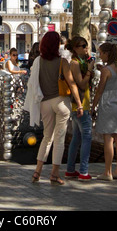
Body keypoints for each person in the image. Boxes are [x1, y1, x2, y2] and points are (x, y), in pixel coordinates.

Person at [24, 31, 84, 186]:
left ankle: (37, 171)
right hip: (61, 102)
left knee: (46, 138)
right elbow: (71, 83)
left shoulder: (38, 61)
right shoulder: (62, 61)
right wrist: (79, 103)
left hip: (45, 103)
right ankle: (54, 174)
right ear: (57, 44)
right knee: (59, 139)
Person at [90, 42, 117, 181]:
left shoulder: (106, 71)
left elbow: (100, 90)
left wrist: (93, 106)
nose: (99, 55)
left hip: (107, 104)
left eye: (100, 52)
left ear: (107, 53)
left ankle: (107, 172)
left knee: (108, 139)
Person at [65, 36, 95, 181]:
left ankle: (70, 169)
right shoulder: (75, 63)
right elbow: (81, 84)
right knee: (87, 137)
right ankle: (83, 171)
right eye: (83, 46)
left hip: (83, 103)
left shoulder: (82, 62)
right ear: (75, 48)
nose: (86, 48)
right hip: (80, 104)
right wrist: (89, 71)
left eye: (86, 45)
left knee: (77, 137)